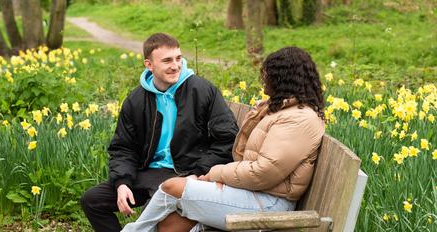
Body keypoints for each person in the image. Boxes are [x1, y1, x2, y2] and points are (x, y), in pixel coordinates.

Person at [122, 46, 326, 232]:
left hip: (271, 204)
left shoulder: (299, 119)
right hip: (254, 192)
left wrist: (215, 175)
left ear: (284, 79)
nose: (264, 80)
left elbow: (264, 172)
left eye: (268, 75)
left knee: (171, 187)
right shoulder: (280, 110)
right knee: (171, 224)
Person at [80, 33, 239, 232]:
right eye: (167, 60)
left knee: (155, 212)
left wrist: (197, 173)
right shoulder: (136, 100)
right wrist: (122, 182)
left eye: (178, 58)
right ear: (149, 65)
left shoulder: (202, 90)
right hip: (148, 173)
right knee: (92, 200)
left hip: (186, 172)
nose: (175, 65)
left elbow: (227, 139)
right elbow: (123, 147)